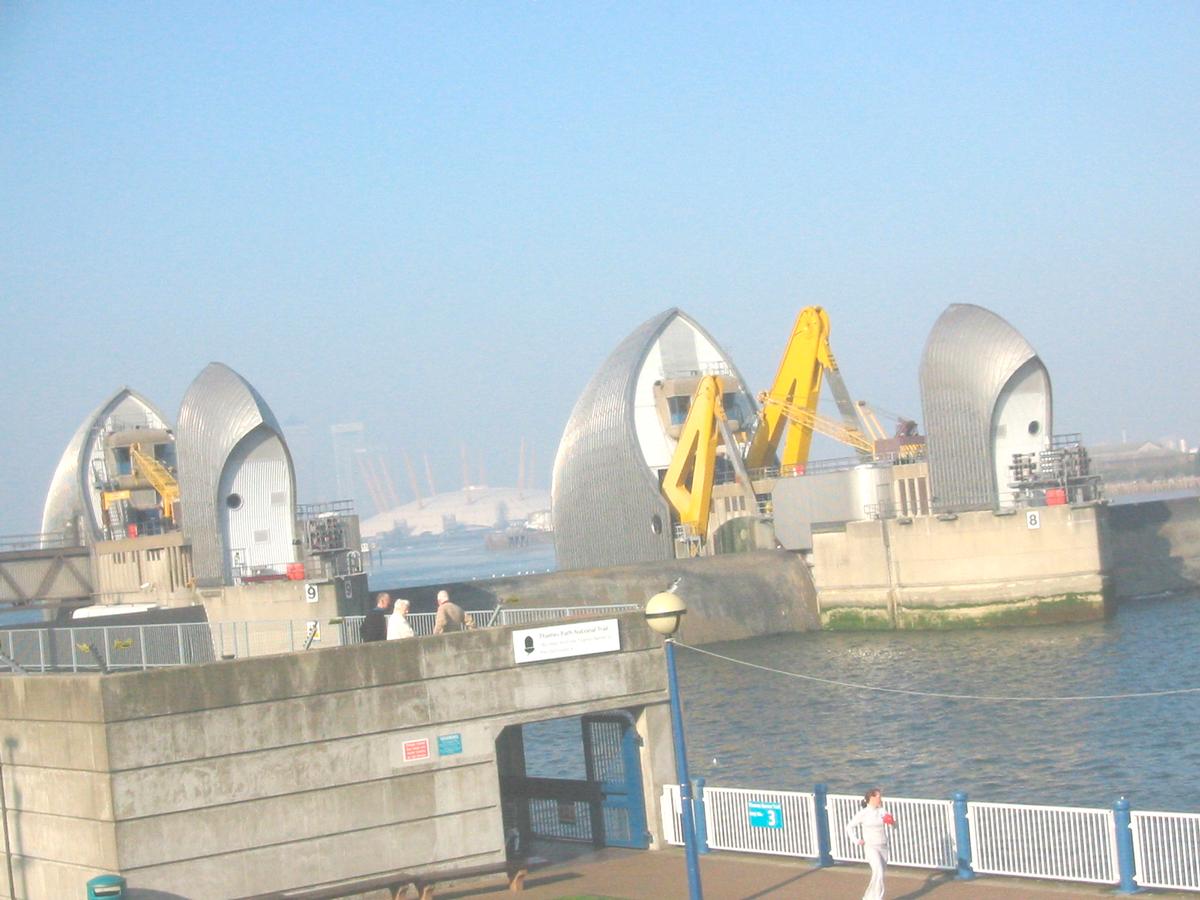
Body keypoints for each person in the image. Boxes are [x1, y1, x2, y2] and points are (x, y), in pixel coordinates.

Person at [844, 787, 896, 900]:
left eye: (880, 796)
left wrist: (892, 822)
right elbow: (849, 827)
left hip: (883, 846)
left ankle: (868, 898)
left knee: (879, 875)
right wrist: (856, 840)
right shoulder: (863, 813)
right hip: (871, 847)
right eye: (877, 796)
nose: (880, 798)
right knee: (879, 872)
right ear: (870, 798)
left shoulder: (882, 811)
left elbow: (894, 825)